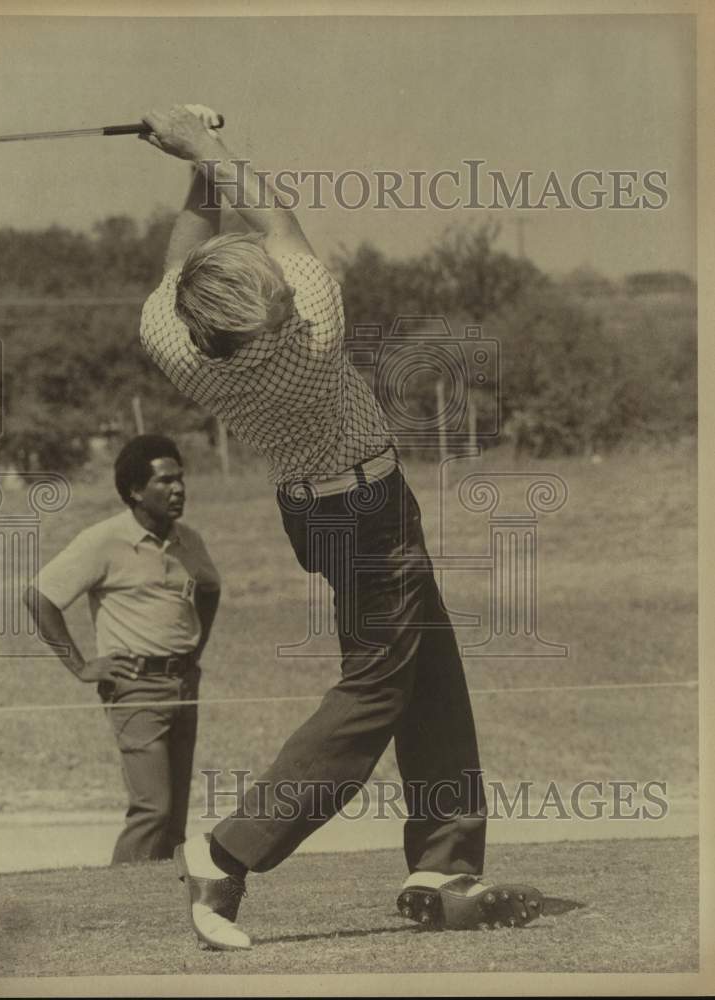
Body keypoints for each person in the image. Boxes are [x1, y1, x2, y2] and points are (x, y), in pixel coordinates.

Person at [138, 104, 543, 950]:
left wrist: (191, 162)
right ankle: (228, 853)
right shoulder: (313, 328)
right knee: (372, 689)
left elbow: (180, 262)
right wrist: (205, 141)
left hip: (314, 514)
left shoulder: (174, 344)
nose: (286, 294)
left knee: (427, 672)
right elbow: (275, 217)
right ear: (265, 312)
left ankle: (442, 864)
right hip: (370, 513)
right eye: (273, 297)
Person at [25, 434, 221, 864]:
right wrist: (80, 667)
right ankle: (117, 903)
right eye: (165, 481)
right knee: (153, 809)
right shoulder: (103, 540)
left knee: (175, 819)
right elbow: (40, 597)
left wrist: (195, 647)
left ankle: (163, 910)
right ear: (135, 490)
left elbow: (210, 588)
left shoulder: (190, 541)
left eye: (180, 479)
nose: (178, 489)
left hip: (185, 682)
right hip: (133, 686)